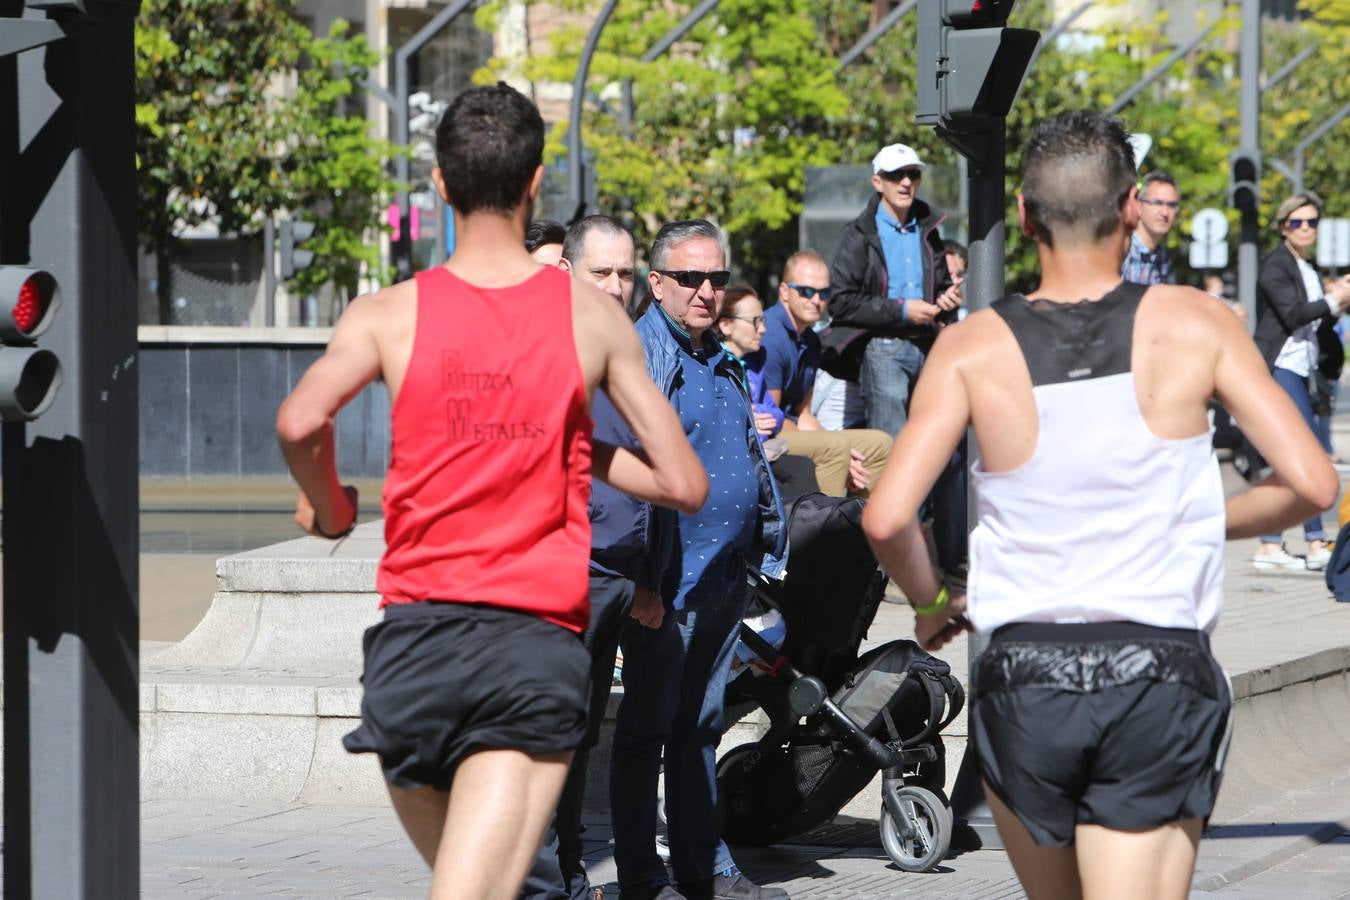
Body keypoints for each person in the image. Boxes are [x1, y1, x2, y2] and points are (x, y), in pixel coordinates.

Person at [861, 110, 1338, 900]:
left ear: (1024, 215)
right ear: (1128, 209)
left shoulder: (971, 345)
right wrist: (1194, 515)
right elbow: (1314, 484)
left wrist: (934, 601)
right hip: (1156, 668)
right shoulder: (1195, 322)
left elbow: (886, 516)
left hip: (1023, 674)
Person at [276, 83, 708, 900]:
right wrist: (572, 446)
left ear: (440, 184)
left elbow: (300, 421)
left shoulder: (386, 313)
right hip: (527, 649)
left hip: (412, 651)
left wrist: (329, 508)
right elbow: (683, 482)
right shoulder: (591, 318)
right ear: (536, 183)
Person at [611, 219, 788, 900]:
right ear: (657, 283)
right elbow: (628, 473)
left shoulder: (718, 355)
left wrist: (761, 541)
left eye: (716, 278)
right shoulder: (642, 353)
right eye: (690, 278)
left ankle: (705, 869)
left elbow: (744, 454)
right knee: (647, 732)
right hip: (667, 584)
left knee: (699, 728)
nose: (707, 291)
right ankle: (641, 875)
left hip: (723, 578)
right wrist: (643, 582)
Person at [523, 214, 666, 900]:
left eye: (625, 273)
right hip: (560, 579)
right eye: (599, 272)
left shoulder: (623, 352)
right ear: (565, 274)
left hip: (614, 581)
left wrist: (642, 580)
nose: (614, 286)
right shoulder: (542, 353)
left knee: (575, 738)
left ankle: (570, 877)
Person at [826, 141, 956, 437]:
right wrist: (902, 310)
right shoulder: (858, 234)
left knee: (933, 443)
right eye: (896, 175)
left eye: (913, 174)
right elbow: (840, 302)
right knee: (891, 445)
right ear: (877, 182)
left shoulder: (929, 229)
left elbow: (942, 287)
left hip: (929, 347)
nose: (906, 182)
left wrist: (947, 300)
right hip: (882, 349)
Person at [1251, 191, 1350, 571]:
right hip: (1280, 366)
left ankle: (1275, 543)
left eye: (1311, 222)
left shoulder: (1307, 267)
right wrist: (1333, 299)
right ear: (1283, 227)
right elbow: (1293, 316)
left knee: (1292, 457)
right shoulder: (1275, 265)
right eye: (1296, 222)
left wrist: (1339, 302)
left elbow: (1317, 321)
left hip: (1303, 368)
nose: (1305, 228)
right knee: (1306, 451)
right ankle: (1309, 541)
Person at [749, 251, 892, 496]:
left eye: (824, 293)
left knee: (880, 444)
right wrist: (839, 451)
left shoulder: (812, 341)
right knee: (834, 448)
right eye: (806, 291)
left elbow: (803, 413)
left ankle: (862, 519)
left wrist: (845, 452)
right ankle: (825, 519)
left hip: (790, 430)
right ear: (784, 291)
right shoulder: (770, 336)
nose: (816, 300)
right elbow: (772, 420)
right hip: (765, 436)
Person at [715, 285, 820, 499]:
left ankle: (819, 515)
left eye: (763, 320)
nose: (762, 329)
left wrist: (759, 416)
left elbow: (775, 413)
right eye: (755, 321)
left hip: (760, 446)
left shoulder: (753, 363)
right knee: (801, 469)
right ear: (725, 325)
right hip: (734, 455)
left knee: (802, 467)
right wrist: (748, 418)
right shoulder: (715, 365)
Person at [1121, 171, 1179, 285]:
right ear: (1139, 205)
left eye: (1171, 205)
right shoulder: (1122, 251)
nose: (1165, 212)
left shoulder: (1162, 257)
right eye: (1158, 203)